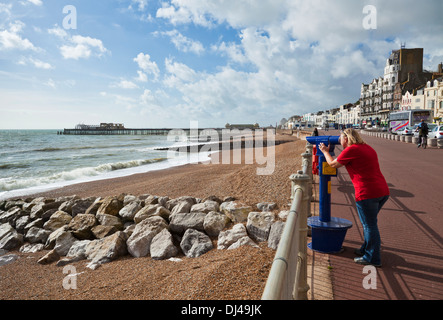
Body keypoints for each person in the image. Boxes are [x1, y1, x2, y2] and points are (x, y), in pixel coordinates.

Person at [318, 129, 390, 267]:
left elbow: (332, 164)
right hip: (382, 191)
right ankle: (366, 249)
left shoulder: (351, 150)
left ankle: (372, 258)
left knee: (370, 226)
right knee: (370, 223)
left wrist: (325, 151)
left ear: (346, 138)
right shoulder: (367, 148)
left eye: (340, 137)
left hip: (367, 193)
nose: (339, 140)